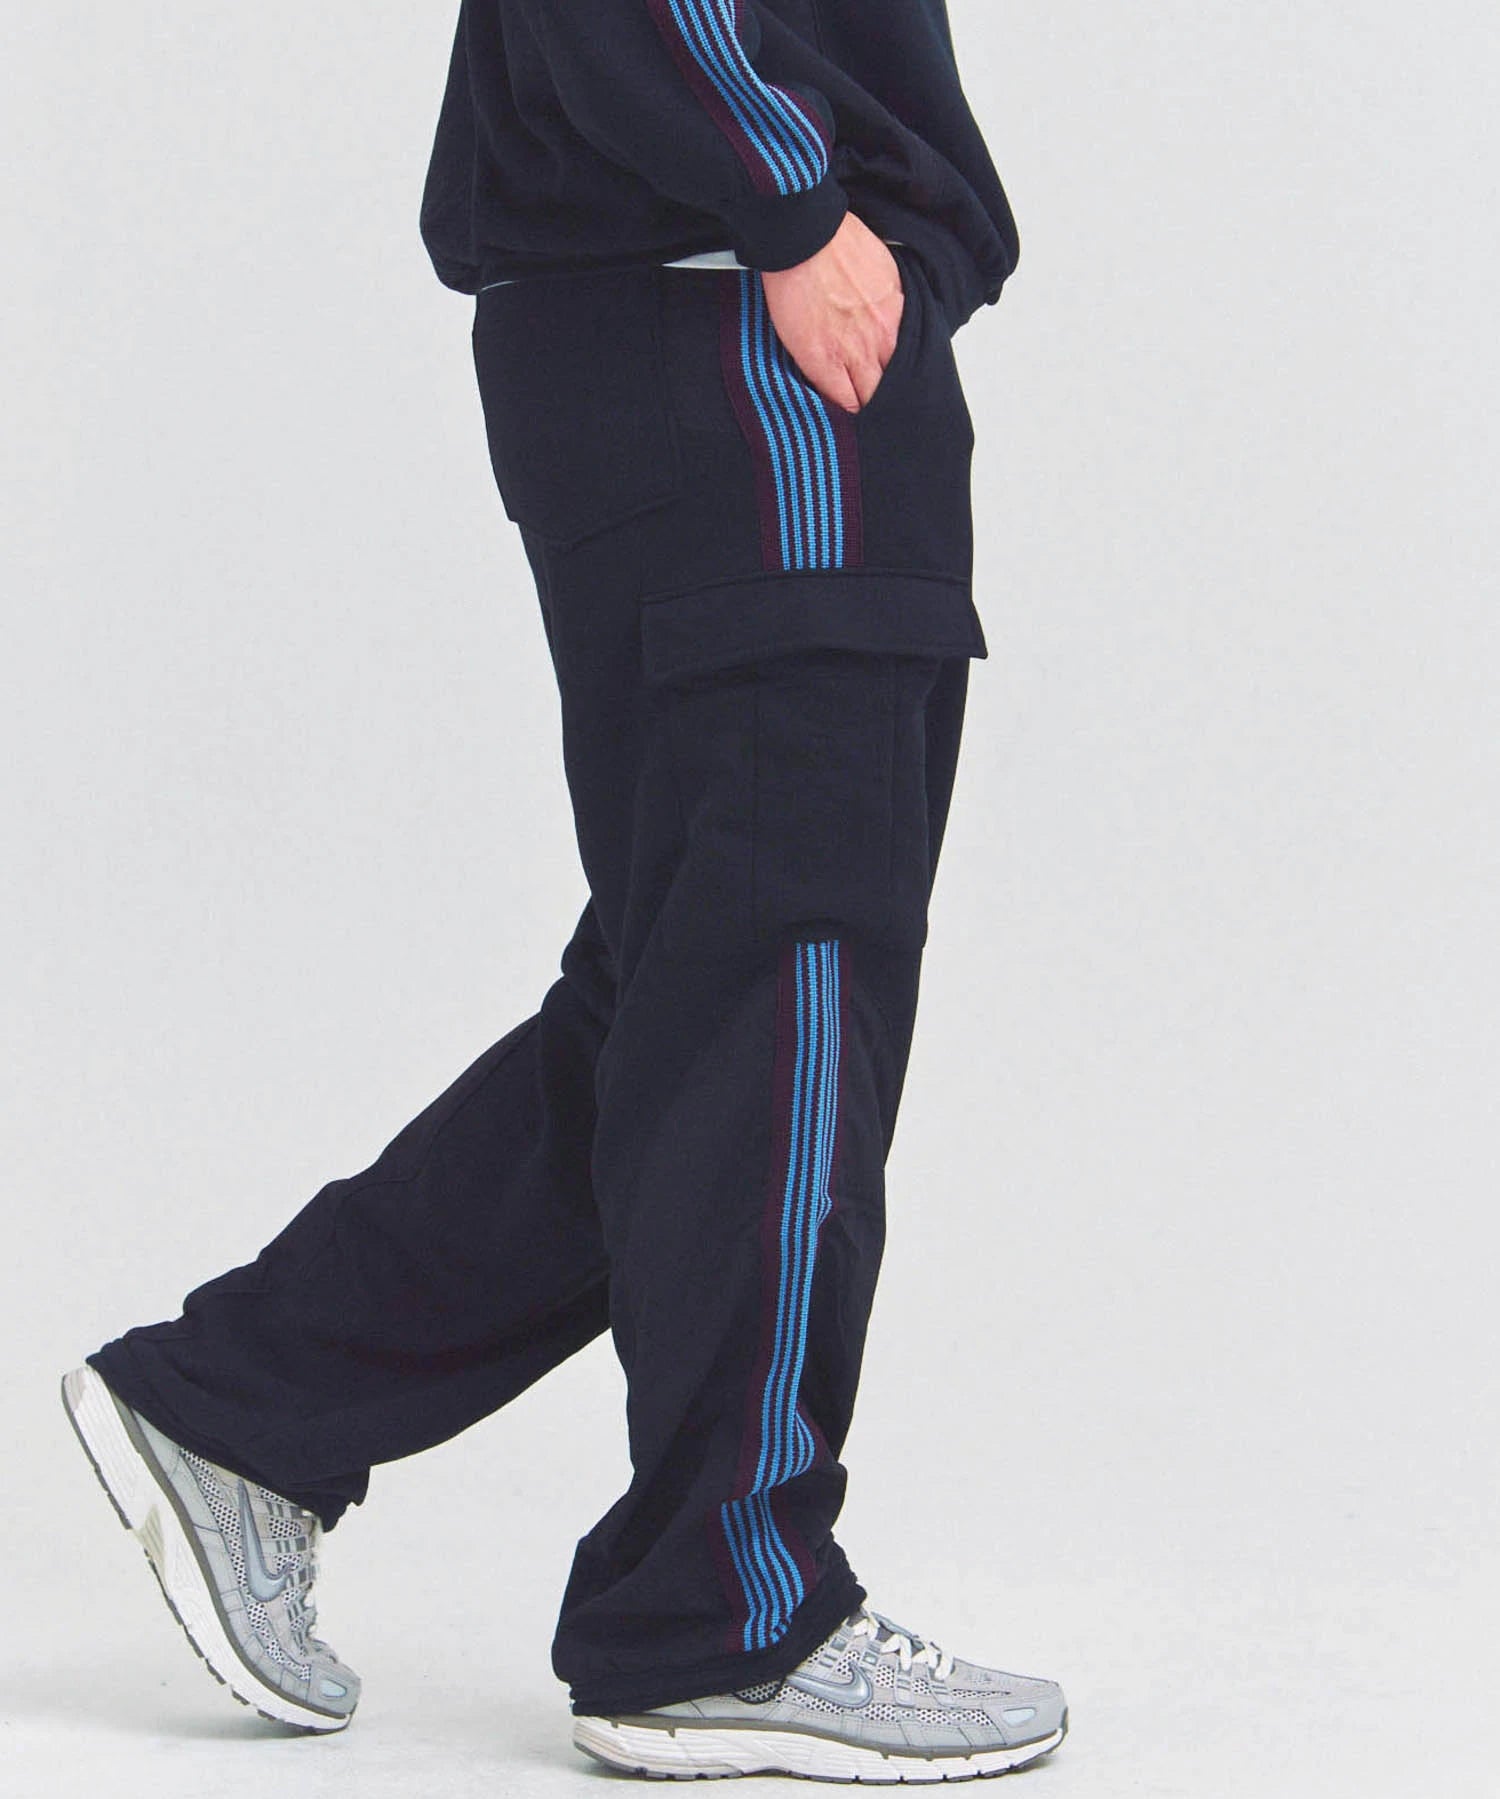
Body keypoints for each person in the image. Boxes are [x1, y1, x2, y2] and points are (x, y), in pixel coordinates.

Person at [61, 0, 1069, 1781]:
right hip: (734, 312)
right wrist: (790, 202)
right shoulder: (760, 232)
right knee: (780, 988)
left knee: (691, 1004)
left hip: (729, 317)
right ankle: (725, 1612)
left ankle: (242, 1413)